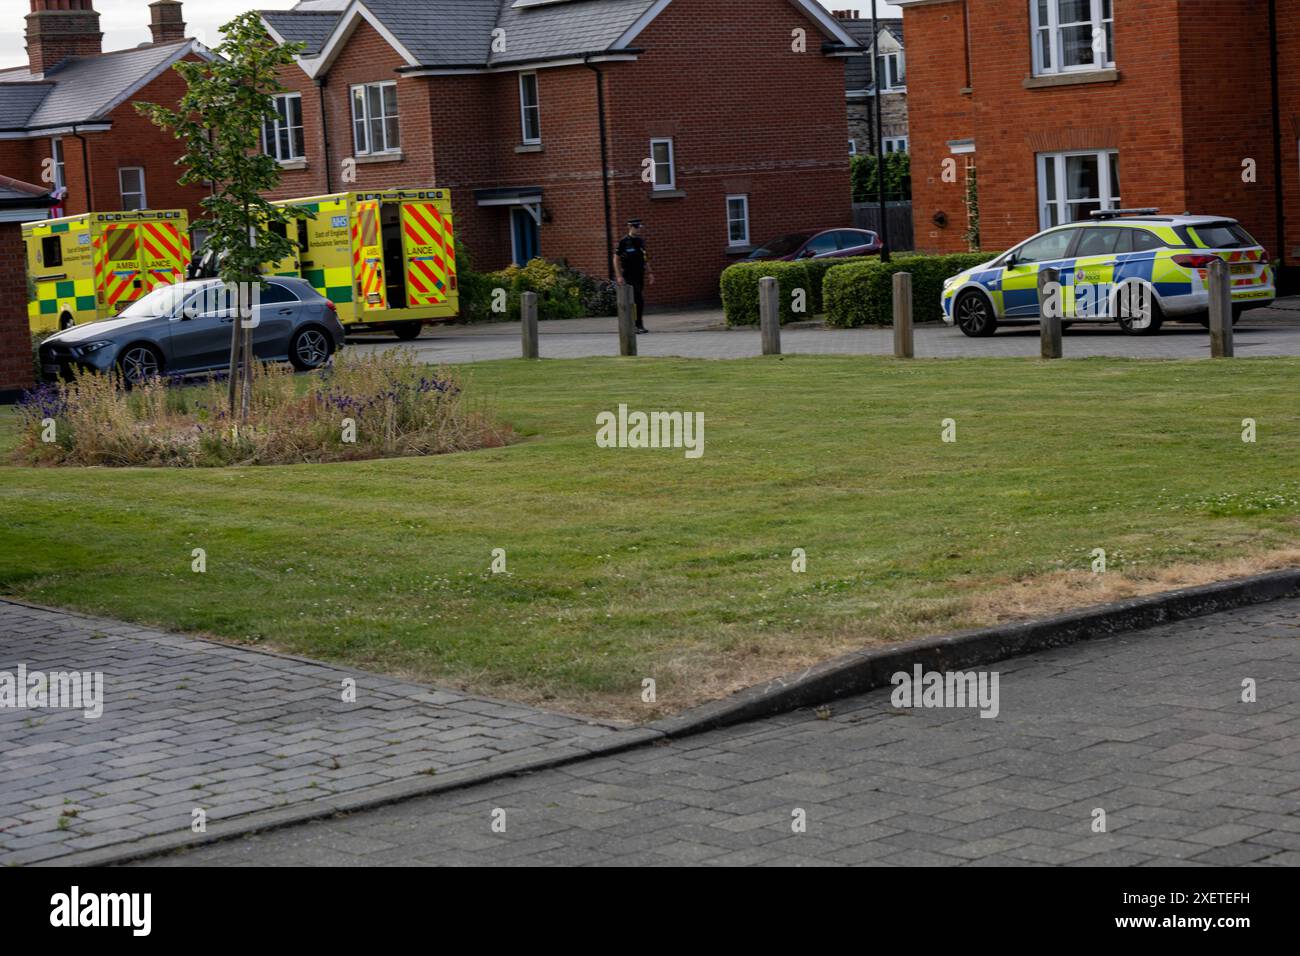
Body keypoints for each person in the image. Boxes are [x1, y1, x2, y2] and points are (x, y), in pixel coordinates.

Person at [614, 218, 654, 333]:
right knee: (637, 299)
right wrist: (619, 276)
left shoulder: (640, 241)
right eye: (636, 227)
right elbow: (616, 259)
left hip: (639, 273)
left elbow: (645, 258)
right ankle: (634, 325)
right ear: (630, 227)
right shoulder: (624, 242)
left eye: (639, 227)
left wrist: (650, 272)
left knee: (639, 300)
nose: (638, 230)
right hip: (628, 274)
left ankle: (639, 324)